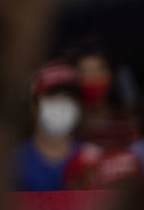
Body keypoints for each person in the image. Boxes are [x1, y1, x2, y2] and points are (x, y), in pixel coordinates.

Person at [13, 61, 88, 191]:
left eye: (68, 98)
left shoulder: (90, 161)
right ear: (34, 106)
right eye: (52, 97)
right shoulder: (14, 163)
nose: (61, 105)